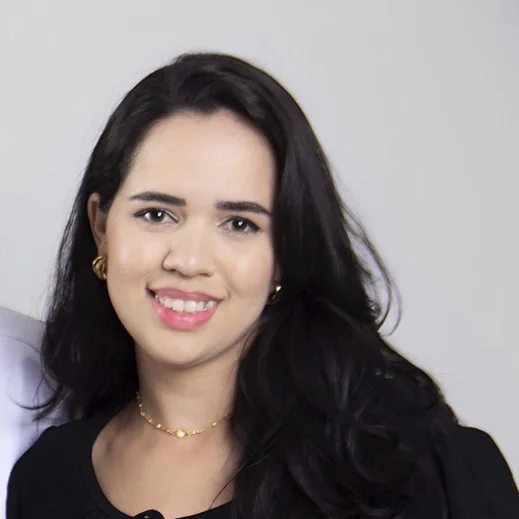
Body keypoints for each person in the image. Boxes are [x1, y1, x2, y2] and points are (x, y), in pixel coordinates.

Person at [6, 52, 518, 519]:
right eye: (157, 214)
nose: (188, 261)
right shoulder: (42, 481)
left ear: (284, 255)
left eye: (239, 224)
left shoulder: (410, 463)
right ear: (101, 227)